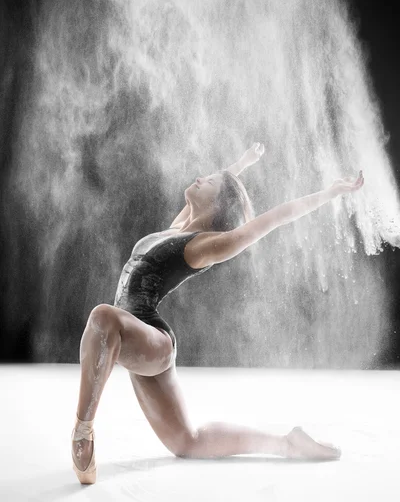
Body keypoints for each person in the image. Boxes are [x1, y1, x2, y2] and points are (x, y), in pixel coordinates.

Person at [71, 142, 364, 484]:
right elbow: (222, 189)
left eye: (208, 181)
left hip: (151, 339)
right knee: (187, 442)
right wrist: (241, 164)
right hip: (136, 337)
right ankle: (288, 443)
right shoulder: (177, 227)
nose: (199, 177)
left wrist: (329, 193)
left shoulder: (204, 245)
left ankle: (83, 432)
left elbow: (274, 219)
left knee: (103, 317)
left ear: (218, 204)